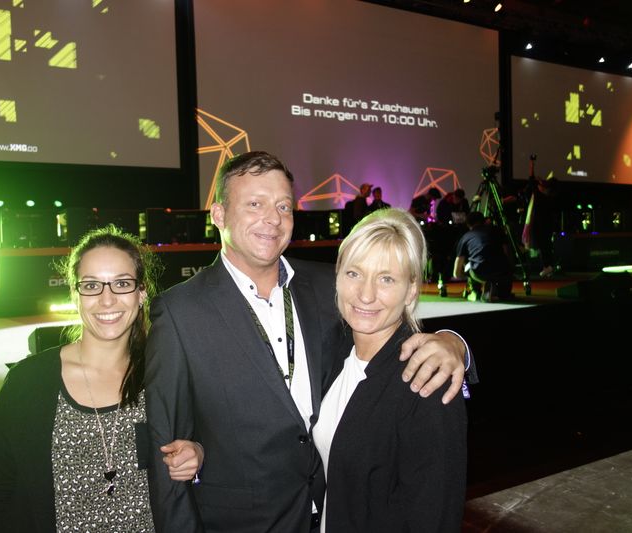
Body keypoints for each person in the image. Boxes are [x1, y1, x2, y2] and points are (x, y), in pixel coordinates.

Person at [145, 151, 472, 532]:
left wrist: (454, 343)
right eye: (255, 204)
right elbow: (168, 452)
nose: (272, 218)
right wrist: (198, 452)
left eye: (283, 205)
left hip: (335, 512)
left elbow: (387, 329)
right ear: (218, 215)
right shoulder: (180, 312)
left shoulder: (326, 286)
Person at [0, 226, 202, 532]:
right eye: (92, 285)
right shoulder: (28, 383)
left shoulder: (164, 375)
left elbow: (207, 440)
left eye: (121, 283)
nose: (107, 300)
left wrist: (197, 454)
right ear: (74, 294)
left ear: (141, 293)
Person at [313, 208, 467, 531]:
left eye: (386, 279)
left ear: (411, 289)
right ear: (337, 275)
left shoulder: (425, 378)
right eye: (354, 273)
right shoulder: (333, 348)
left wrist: (456, 345)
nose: (366, 294)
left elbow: (434, 519)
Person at [454, 211, 515, 301]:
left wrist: (460, 275)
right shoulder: (497, 230)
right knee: (504, 290)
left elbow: (458, 266)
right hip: (501, 271)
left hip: (480, 271)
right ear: (484, 221)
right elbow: (507, 252)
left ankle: (475, 292)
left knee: (469, 263)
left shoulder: (466, 237)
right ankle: (501, 292)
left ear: (468, 224)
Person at [522, 176, 563, 277]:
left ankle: (547, 266)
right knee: (545, 246)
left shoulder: (541, 196)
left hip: (541, 225)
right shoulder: (549, 197)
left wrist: (534, 174)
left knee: (544, 246)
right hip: (546, 225)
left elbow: (532, 184)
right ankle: (548, 267)